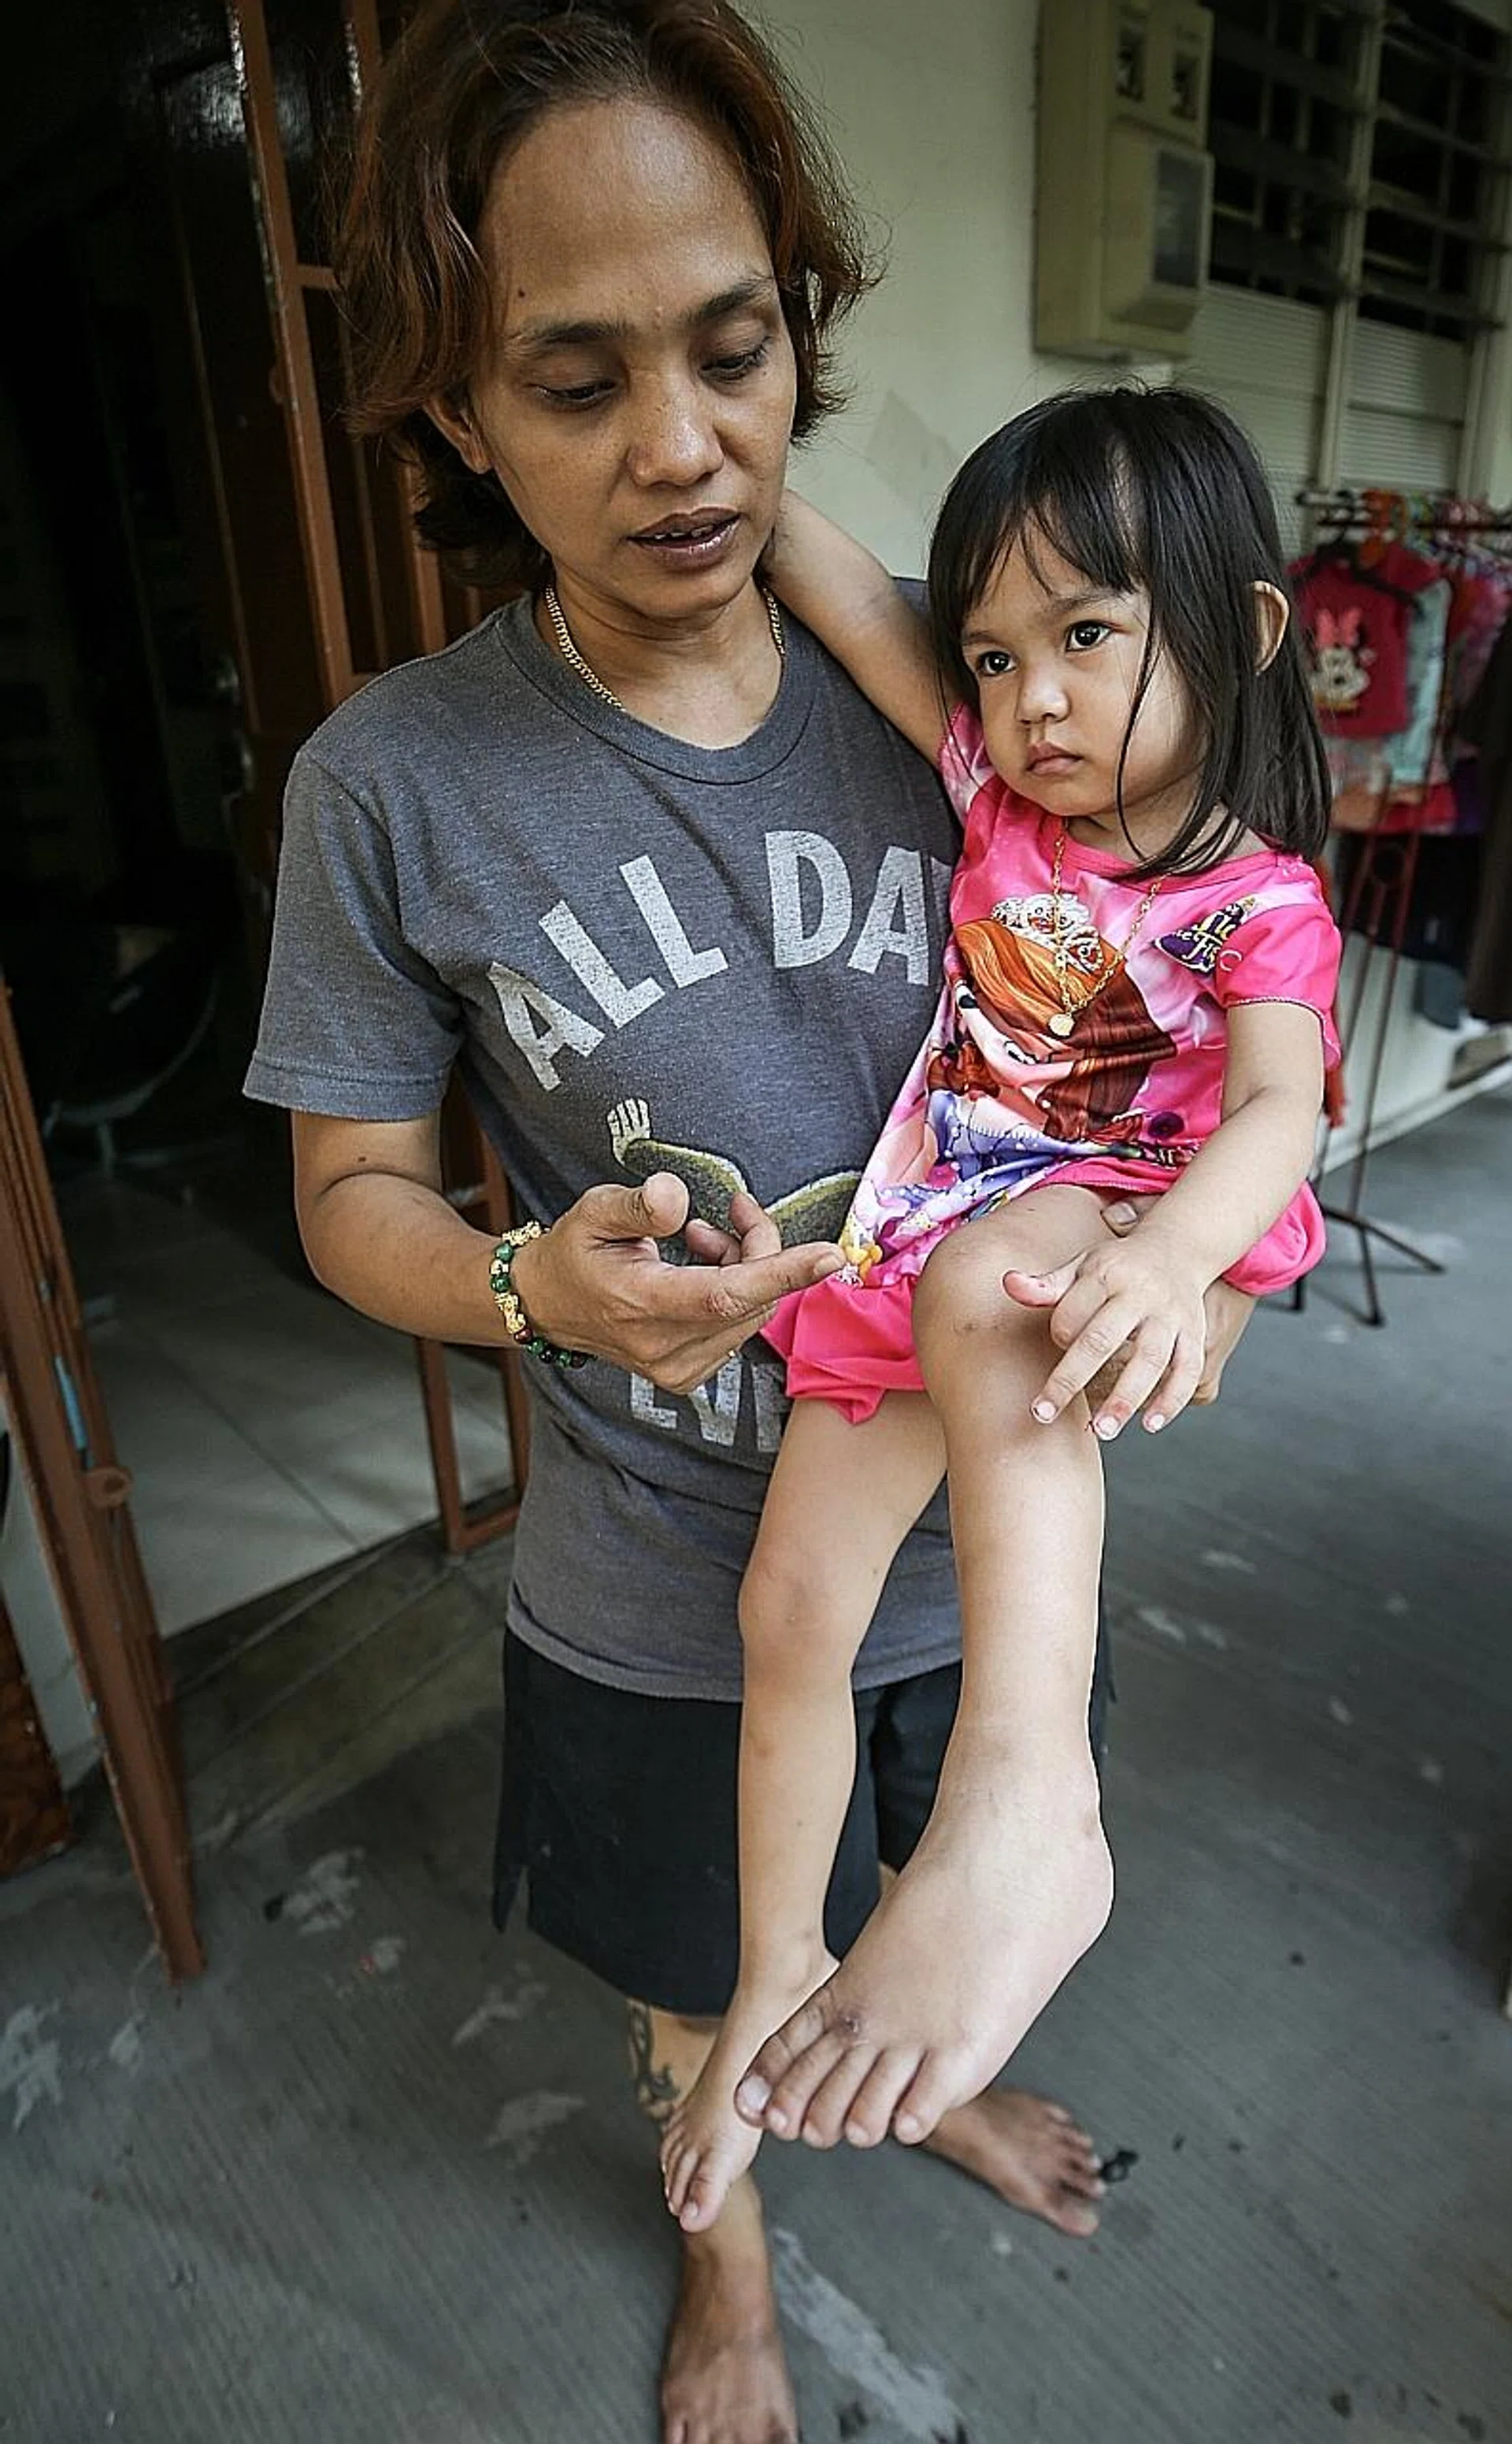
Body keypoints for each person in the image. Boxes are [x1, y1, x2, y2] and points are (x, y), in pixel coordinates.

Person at [243, 8, 1257, 2438]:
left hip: (983, 1547)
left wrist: (1190, 1261)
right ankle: (732, 2272)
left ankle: (942, 2079)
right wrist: (519, 1279)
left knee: (954, 1906)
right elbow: (353, 1193)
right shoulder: (390, 785)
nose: (682, 448)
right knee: (709, 1977)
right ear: (457, 419)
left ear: (799, 320)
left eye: (730, 348)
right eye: (574, 384)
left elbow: (1173, 1009)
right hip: (664, 1573)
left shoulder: (970, 691)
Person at [661, 387, 1342, 2238]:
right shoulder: (992, 798)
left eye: (1089, 635)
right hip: (924, 1231)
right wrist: (737, 462)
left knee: (1000, 1276)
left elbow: (1279, 1109)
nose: (1030, 697)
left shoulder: (1254, 904)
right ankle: (776, 1966)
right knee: (787, 1605)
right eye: (998, 651)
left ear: (1247, 634)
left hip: (1112, 1222)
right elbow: (856, 606)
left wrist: (1174, 1258)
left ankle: (1027, 1797)